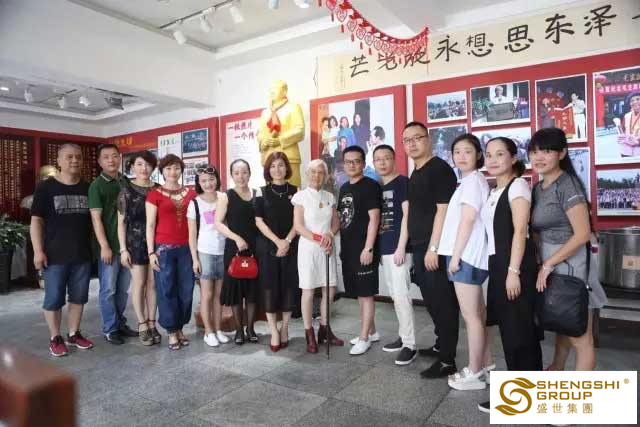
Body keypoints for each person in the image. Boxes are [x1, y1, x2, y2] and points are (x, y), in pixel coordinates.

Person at [477, 136, 543, 413]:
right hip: (498, 264)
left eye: (500, 154)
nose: (492, 160)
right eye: (489, 154)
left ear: (514, 158)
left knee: (521, 333)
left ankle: (530, 399)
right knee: (509, 330)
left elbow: (520, 231)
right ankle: (516, 397)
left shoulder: (518, 186)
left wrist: (513, 272)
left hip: (514, 265)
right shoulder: (494, 190)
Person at [529, 127, 596, 371]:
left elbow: (582, 234)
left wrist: (548, 264)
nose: (539, 157)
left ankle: (580, 390)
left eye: (547, 151)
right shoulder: (539, 188)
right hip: (550, 259)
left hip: (570, 262)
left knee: (579, 334)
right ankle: (557, 369)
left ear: (562, 153)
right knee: (562, 318)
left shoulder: (568, 185)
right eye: (534, 152)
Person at [402, 121, 460, 379]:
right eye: (407, 140)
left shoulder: (440, 170)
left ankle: (447, 360)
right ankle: (440, 344)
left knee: (443, 302)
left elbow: (443, 211)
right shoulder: (417, 172)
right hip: (420, 245)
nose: (412, 144)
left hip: (434, 246)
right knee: (431, 300)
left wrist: (434, 248)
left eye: (417, 138)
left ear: (429, 139)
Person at [437, 134, 491, 390]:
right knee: (477, 314)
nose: (461, 156)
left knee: (471, 317)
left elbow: (467, 220)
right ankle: (486, 365)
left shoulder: (472, 183)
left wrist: (456, 256)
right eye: (457, 151)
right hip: (468, 255)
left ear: (478, 155)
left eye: (467, 151)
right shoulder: (471, 181)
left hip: (466, 256)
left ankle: (474, 372)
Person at [31, 143, 94, 356]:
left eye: (78, 156)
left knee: (79, 297)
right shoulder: (45, 188)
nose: (74, 160)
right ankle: (55, 337)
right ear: (59, 161)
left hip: (82, 253)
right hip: (54, 255)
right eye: (69, 157)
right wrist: (38, 251)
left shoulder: (88, 187)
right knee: (54, 299)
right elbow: (36, 221)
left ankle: (74, 333)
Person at [292, 159, 344, 353]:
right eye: (313, 172)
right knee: (308, 291)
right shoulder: (300, 197)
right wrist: (319, 238)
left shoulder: (329, 196)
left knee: (329, 290)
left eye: (321, 172)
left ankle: (324, 329)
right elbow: (298, 226)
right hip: (309, 249)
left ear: (326, 176)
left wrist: (329, 234)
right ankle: (309, 333)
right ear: (307, 174)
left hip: (327, 247)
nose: (317, 176)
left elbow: (336, 222)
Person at [146, 154, 196, 351]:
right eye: (168, 168)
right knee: (166, 290)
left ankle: (180, 327)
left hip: (187, 248)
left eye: (176, 168)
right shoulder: (154, 194)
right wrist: (151, 252)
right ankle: (171, 331)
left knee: (186, 290)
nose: (172, 172)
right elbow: (150, 225)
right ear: (162, 171)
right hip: (163, 250)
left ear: (181, 170)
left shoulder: (191, 193)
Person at [373, 144, 417, 365]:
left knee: (401, 296)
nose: (382, 162)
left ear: (394, 159)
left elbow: (408, 215)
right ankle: (403, 336)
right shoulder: (379, 187)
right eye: (378, 159)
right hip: (385, 249)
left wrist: (401, 247)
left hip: (399, 249)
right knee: (395, 296)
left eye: (386, 158)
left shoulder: (402, 183)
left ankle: (410, 345)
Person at [89, 143, 137, 345]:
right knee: (108, 290)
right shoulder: (97, 186)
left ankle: (120, 323)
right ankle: (110, 328)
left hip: (127, 247)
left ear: (120, 158)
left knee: (123, 289)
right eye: (106, 157)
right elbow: (96, 219)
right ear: (99, 161)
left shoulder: (125, 181)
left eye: (115, 156)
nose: (111, 160)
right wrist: (104, 246)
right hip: (109, 247)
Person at [337, 146, 381, 355]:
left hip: (364, 248)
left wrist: (369, 248)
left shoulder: (371, 186)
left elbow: (374, 218)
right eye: (348, 161)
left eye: (356, 161)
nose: (352, 165)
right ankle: (371, 331)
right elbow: (342, 218)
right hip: (348, 248)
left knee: (366, 294)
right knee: (358, 293)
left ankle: (364, 338)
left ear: (363, 163)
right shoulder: (344, 187)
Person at [254, 152, 299, 352]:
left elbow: (299, 221)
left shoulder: (296, 191)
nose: (277, 170)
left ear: (286, 167)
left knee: (289, 286)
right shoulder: (261, 192)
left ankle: (285, 328)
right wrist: (277, 241)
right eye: (272, 166)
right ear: (268, 170)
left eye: (280, 165)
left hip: (291, 245)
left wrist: (287, 241)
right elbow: (258, 221)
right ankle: (273, 330)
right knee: (269, 288)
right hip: (267, 246)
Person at [117, 150, 161, 346]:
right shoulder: (126, 191)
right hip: (134, 243)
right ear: (132, 167)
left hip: (157, 243)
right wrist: (123, 249)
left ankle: (152, 323)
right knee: (139, 283)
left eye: (148, 164)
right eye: (140, 164)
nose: (144, 168)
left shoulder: (159, 189)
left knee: (153, 284)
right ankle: (142, 324)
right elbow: (121, 223)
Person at [215, 159, 260, 345]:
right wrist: (237, 238)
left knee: (252, 291)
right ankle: (239, 330)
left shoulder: (257, 194)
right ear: (232, 175)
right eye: (237, 173)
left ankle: (250, 328)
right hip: (234, 248)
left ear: (250, 173)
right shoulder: (226, 196)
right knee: (235, 291)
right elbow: (218, 223)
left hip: (255, 248)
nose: (241, 176)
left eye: (244, 172)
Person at [187, 164, 230, 348]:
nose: (208, 184)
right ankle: (208, 332)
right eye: (203, 181)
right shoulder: (195, 203)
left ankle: (218, 330)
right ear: (198, 182)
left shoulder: (224, 198)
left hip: (223, 250)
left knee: (219, 295)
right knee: (207, 295)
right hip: (205, 252)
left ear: (217, 180)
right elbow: (191, 234)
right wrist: (195, 259)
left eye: (211, 179)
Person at [257, 79, 305, 187]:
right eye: (270, 89)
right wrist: (263, 142)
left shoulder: (293, 107)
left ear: (284, 91)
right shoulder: (265, 112)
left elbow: (300, 130)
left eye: (275, 89)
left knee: (293, 192)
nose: (271, 92)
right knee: (270, 192)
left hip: (289, 157)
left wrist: (280, 140)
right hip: (268, 159)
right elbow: (259, 133)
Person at [617, 92, 640, 157]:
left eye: (638, 99)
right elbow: (622, 131)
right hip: (626, 152)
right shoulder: (626, 116)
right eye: (632, 101)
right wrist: (621, 137)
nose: (635, 102)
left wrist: (638, 142)